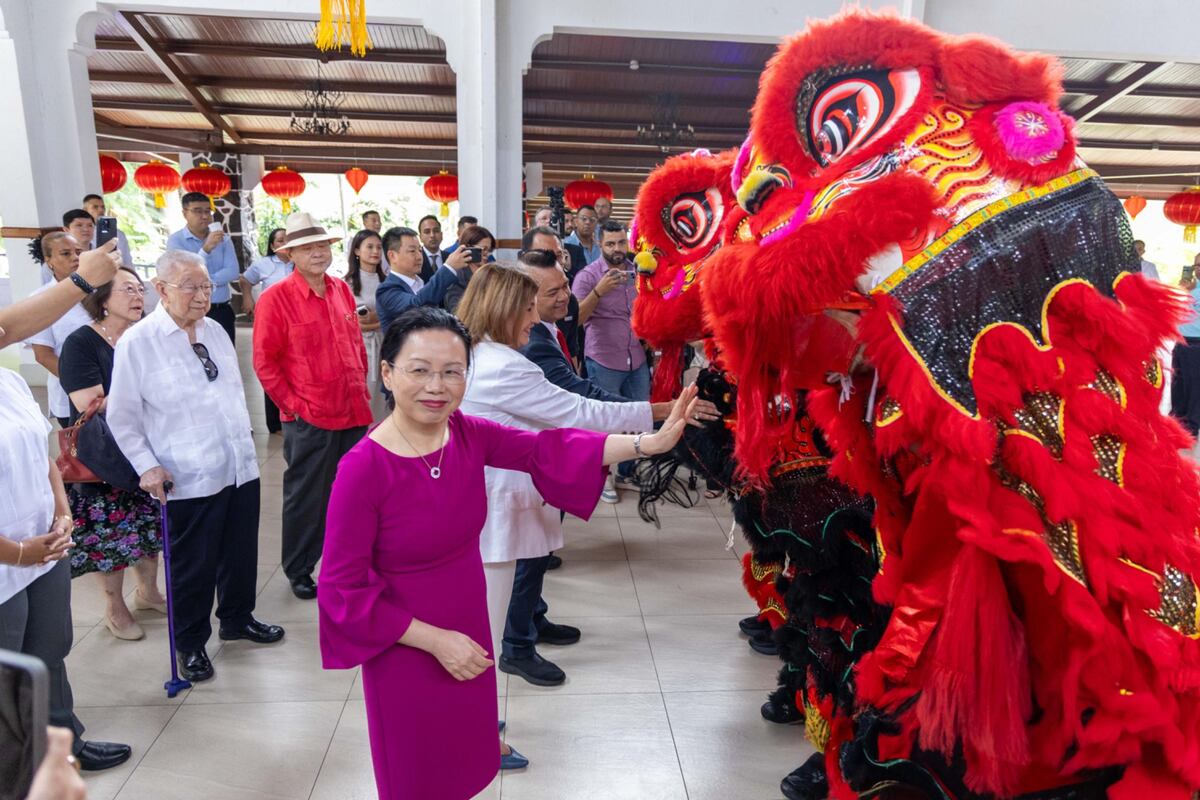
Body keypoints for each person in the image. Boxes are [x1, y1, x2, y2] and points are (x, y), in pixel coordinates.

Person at [318, 306, 697, 799]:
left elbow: (548, 449)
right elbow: (342, 591)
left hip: (467, 623)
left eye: (452, 372)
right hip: (406, 642)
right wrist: (436, 642)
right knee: (417, 772)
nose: (437, 386)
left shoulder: (465, 434)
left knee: (464, 764)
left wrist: (648, 443)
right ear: (387, 374)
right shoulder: (363, 469)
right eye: (420, 370)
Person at [457, 263, 665, 690]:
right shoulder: (505, 365)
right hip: (503, 497)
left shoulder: (477, 352)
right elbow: (577, 410)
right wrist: (655, 414)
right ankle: (509, 663)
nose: (534, 319)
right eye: (527, 309)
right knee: (493, 616)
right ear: (502, 309)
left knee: (506, 591)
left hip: (493, 490)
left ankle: (519, 642)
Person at [108, 250, 284, 683]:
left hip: (237, 464)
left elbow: (230, 393)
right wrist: (147, 466)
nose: (202, 295)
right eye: (191, 287)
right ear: (161, 289)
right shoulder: (139, 342)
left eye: (206, 286)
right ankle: (189, 643)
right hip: (185, 474)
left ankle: (237, 618)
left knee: (240, 551)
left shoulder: (216, 331)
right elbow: (122, 417)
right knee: (193, 565)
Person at [0, 244, 131, 773]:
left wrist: (62, 513)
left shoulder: (8, 382)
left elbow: (44, 455)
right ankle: (20, 772)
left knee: (49, 653)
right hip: (9, 556)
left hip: (44, 543)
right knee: (9, 673)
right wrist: (17, 552)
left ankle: (63, 745)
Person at [253, 213, 372, 600]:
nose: (318, 253)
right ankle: (299, 567)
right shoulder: (275, 299)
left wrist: (362, 384)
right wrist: (294, 407)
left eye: (322, 246)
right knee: (307, 497)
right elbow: (265, 363)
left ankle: (348, 563)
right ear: (290, 255)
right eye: (307, 248)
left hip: (353, 409)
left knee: (354, 493)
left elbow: (355, 343)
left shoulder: (341, 289)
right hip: (311, 415)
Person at [59, 266, 166, 641]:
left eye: (140, 289)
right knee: (112, 535)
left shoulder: (146, 336)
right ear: (102, 298)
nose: (138, 297)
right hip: (103, 456)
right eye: (127, 290)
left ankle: (148, 592)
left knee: (147, 524)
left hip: (146, 446)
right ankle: (114, 606)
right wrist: (146, 397)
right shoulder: (81, 343)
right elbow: (89, 401)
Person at [572, 220, 649, 498]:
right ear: (599, 244)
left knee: (638, 418)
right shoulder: (588, 276)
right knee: (603, 422)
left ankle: (627, 472)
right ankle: (602, 477)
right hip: (603, 359)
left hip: (637, 358)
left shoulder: (638, 271)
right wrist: (598, 292)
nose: (617, 249)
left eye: (621, 242)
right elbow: (576, 319)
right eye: (610, 244)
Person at [25, 232, 93, 427]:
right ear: (49, 261)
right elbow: (43, 355)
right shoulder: (41, 299)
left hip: (112, 389)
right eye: (65, 253)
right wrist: (84, 384)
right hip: (71, 393)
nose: (75, 257)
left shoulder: (99, 290)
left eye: (78, 252)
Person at [166, 191, 240, 343]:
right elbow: (183, 274)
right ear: (185, 213)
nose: (205, 216)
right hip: (190, 310)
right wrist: (205, 249)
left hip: (220, 309)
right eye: (198, 211)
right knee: (193, 352)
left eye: (208, 211)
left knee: (225, 353)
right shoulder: (176, 241)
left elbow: (233, 271)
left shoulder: (223, 239)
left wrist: (202, 283)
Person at [238, 228, 293, 433]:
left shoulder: (299, 262)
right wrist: (247, 298)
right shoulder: (265, 264)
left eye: (287, 239)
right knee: (272, 368)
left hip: (296, 322)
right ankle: (275, 423)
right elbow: (245, 279)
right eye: (280, 240)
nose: (284, 243)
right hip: (272, 322)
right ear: (272, 246)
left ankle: (293, 414)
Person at [375, 226, 467, 332]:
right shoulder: (386, 290)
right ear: (392, 256)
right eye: (412, 251)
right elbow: (416, 306)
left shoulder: (421, 283)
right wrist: (449, 268)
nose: (419, 256)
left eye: (420, 250)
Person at [523, 226, 585, 361]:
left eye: (558, 255)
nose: (552, 263)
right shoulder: (514, 308)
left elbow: (572, 351)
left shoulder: (569, 300)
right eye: (544, 256)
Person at [344, 229, 387, 407]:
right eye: (369, 247)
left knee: (384, 398)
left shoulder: (387, 281)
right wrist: (379, 322)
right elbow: (347, 321)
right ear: (356, 250)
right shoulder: (346, 284)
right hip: (359, 347)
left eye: (379, 247)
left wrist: (376, 320)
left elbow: (394, 316)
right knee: (364, 396)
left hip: (385, 344)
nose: (375, 251)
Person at [1172, 252, 1200, 437]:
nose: (1198, 269)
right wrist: (1182, 290)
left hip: (1196, 342)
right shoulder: (1191, 287)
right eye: (1196, 265)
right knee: (1178, 383)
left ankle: (1191, 425)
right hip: (1181, 339)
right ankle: (1177, 420)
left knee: (1194, 385)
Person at [443, 225, 496, 314]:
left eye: (489, 250)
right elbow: (458, 312)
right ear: (468, 248)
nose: (487, 254)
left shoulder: (490, 273)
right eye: (484, 249)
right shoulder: (456, 278)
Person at [82, 193, 134, 267]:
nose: (101, 210)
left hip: (117, 271)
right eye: (95, 207)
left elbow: (127, 260)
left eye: (103, 207)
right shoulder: (82, 233)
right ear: (85, 210)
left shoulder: (119, 234)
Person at [417, 214, 449, 281]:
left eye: (436, 231)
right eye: (427, 232)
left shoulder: (450, 257)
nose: (432, 235)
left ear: (441, 235)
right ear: (420, 237)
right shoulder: (415, 259)